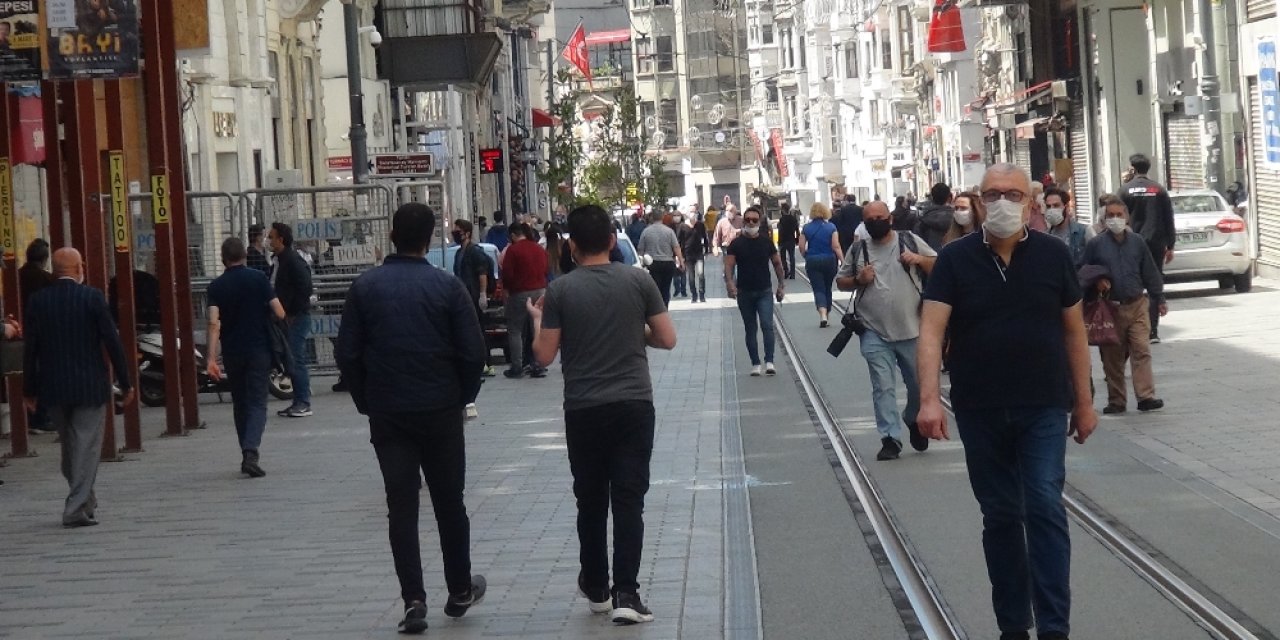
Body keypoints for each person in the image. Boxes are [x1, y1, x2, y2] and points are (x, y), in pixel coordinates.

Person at [917, 163, 1096, 640]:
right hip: (980, 407)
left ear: (1031, 204)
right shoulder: (954, 259)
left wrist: (1084, 400)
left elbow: (1074, 330)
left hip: (1042, 404)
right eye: (992, 194)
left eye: (1013, 195)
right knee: (1000, 514)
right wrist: (929, 400)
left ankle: (1054, 628)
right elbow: (932, 331)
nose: (1002, 203)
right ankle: (1014, 625)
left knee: (1042, 502)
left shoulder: (1053, 255)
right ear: (977, 202)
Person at [336, 203, 488, 635]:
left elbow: (347, 353)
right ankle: (459, 588)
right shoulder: (447, 288)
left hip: (389, 412)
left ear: (391, 236)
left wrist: (368, 400)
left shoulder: (365, 288)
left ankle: (413, 600)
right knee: (449, 502)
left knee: (400, 507)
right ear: (429, 240)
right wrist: (462, 396)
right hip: (440, 410)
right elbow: (473, 352)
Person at [527, 204, 676, 625]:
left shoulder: (560, 291)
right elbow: (666, 339)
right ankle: (627, 592)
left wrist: (537, 320)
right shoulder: (638, 280)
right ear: (612, 241)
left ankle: (596, 587)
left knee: (590, 500)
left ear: (571, 247)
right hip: (633, 405)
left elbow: (544, 354)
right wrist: (635, 331)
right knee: (629, 499)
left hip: (584, 408)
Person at [23, 248, 135, 527]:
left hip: (54, 387)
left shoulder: (38, 301)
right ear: (78, 268)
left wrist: (29, 389)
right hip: (89, 385)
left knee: (70, 450)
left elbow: (31, 349)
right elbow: (112, 341)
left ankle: (85, 500)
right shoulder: (92, 297)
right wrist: (126, 381)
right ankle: (74, 508)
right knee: (85, 446)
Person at [836, 201, 937, 460]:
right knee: (883, 386)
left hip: (911, 328)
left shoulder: (909, 241)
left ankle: (913, 418)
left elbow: (937, 265)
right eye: (869, 220)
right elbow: (841, 282)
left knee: (917, 385)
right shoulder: (859, 249)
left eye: (879, 218)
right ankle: (890, 438)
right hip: (872, 330)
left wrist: (918, 259)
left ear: (890, 219)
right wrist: (858, 280)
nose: (875, 223)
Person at [205, 238, 287, 478]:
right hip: (258, 348)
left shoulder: (216, 287)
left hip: (232, 351)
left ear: (223, 259)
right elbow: (279, 311)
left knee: (240, 402)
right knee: (257, 402)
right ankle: (251, 450)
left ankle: (245, 450)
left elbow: (212, 323)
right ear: (244, 255)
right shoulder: (258, 279)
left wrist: (211, 358)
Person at [1083, 196, 1167, 415]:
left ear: (1127, 217)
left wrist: (1160, 298)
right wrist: (1096, 282)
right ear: (1104, 218)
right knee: (1112, 357)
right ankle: (1117, 400)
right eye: (1110, 215)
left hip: (1137, 304)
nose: (1115, 219)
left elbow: (1150, 271)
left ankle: (1146, 396)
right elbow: (1083, 271)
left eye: (1119, 215)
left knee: (1141, 349)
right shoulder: (1095, 245)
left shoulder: (1137, 242)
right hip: (1110, 309)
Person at [1120, 153, 1176, 343]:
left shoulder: (1125, 190)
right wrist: (1170, 245)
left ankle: (1135, 328)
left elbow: (1118, 216)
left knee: (1133, 285)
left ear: (1133, 168)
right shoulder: (1159, 190)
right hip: (1155, 242)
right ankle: (1153, 332)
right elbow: (1169, 218)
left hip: (1131, 243)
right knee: (1154, 285)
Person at [724, 206, 785, 376]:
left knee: (767, 325)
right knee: (750, 328)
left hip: (764, 291)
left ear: (759, 222)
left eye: (754, 220)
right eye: (748, 220)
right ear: (743, 221)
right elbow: (728, 265)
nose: (751, 222)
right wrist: (729, 283)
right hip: (744, 292)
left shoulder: (766, 242)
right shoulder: (736, 244)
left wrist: (781, 285)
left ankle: (770, 361)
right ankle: (755, 363)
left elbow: (777, 264)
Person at [268, 222, 314, 418]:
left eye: (271, 237)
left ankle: (303, 401)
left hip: (296, 318)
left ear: (281, 239)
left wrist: (292, 312)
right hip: (285, 317)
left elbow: (305, 288)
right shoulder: (279, 261)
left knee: (296, 358)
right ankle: (297, 400)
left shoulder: (292, 261)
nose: (268, 240)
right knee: (290, 358)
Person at [501, 222, 548, 379]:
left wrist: (506, 291)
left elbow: (507, 274)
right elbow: (546, 269)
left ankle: (517, 366)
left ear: (514, 235)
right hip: (540, 290)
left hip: (520, 292)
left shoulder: (513, 250)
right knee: (537, 328)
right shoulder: (538, 248)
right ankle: (538, 364)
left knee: (515, 329)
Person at [799, 202, 841, 328]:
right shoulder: (831, 227)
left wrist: (806, 255)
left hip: (813, 260)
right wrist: (843, 261)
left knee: (818, 288)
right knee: (827, 287)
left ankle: (822, 315)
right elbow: (836, 246)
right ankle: (827, 315)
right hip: (829, 260)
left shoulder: (806, 228)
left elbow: (801, 246)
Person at [637, 211, 683, 307]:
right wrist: (681, 261)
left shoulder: (646, 231)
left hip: (653, 264)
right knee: (666, 288)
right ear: (662, 218)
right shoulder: (669, 231)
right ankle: (665, 307)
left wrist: (641, 262)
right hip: (668, 263)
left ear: (652, 218)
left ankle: (658, 308)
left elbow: (640, 249)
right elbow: (676, 247)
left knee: (656, 288)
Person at [1044, 187, 1095, 267]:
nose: (1051, 210)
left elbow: (1097, 260)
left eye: (1056, 205)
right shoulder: (1045, 238)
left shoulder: (1084, 232)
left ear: (1066, 207)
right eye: (1048, 206)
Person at [451, 219, 490, 319]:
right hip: (463, 294)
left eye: (458, 232)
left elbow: (482, 273)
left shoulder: (475, 252)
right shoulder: (459, 252)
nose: (455, 234)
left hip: (473, 295)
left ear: (467, 234)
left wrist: (482, 294)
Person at [678, 204, 710, 303]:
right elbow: (678, 242)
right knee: (691, 277)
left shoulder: (700, 225)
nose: (693, 214)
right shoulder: (682, 226)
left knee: (701, 274)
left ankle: (702, 294)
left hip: (699, 253)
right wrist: (679, 256)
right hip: (687, 255)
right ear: (687, 213)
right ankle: (694, 295)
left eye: (694, 211)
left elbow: (705, 238)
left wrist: (707, 249)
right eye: (691, 211)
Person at [915, 183, 956, 251]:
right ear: (949, 198)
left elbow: (915, 245)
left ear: (932, 197)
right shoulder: (958, 220)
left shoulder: (922, 221)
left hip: (928, 258)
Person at [776, 201, 800, 279]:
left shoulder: (782, 219)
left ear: (783, 210)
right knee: (792, 257)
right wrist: (797, 239)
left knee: (783, 257)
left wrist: (779, 241)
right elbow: (797, 230)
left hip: (783, 241)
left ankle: (786, 271)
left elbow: (780, 231)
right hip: (791, 240)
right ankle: (792, 274)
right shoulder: (793, 219)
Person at [667, 212, 688, 298]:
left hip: (683, 251)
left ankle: (683, 290)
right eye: (674, 216)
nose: (676, 218)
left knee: (683, 271)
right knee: (675, 273)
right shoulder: (669, 227)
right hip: (672, 252)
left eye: (678, 216)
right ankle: (677, 289)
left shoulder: (684, 227)